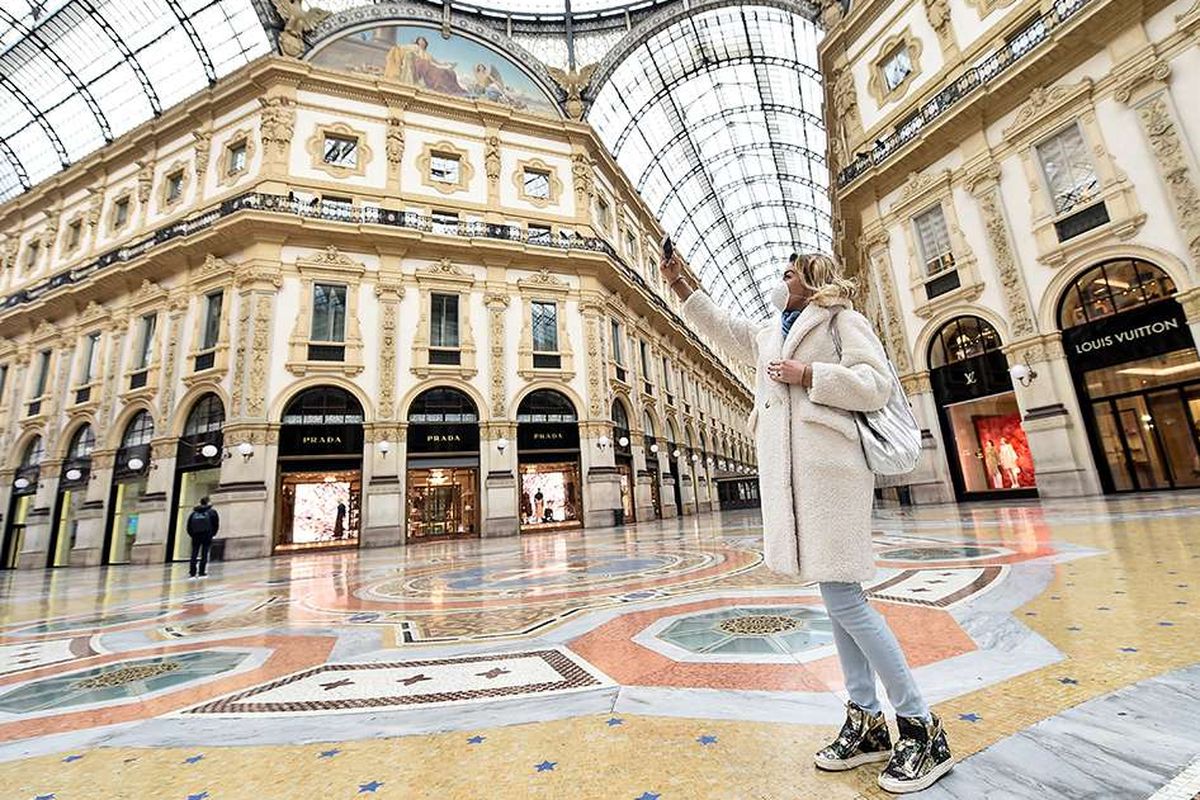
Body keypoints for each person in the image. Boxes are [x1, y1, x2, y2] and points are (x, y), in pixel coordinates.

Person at [662, 250, 953, 794]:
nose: (781, 279)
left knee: (846, 599)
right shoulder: (772, 331)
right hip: (795, 480)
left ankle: (920, 725)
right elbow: (724, 329)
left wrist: (811, 374)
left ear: (812, 281)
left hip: (833, 472)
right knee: (837, 597)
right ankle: (866, 721)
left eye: (790, 273)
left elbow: (875, 384)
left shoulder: (844, 320)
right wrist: (682, 287)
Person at [185, 496, 220, 579]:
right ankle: (202, 571)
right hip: (207, 535)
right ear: (208, 502)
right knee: (204, 553)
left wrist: (193, 534)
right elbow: (216, 524)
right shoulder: (212, 512)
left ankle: (192, 572)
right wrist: (212, 534)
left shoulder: (193, 513)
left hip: (196, 535)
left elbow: (188, 526)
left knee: (194, 553)